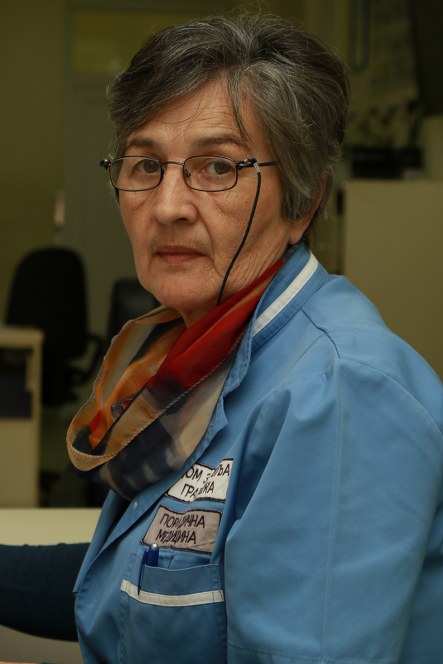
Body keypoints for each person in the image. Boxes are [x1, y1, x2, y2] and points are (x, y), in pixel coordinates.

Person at [1, 11, 443, 664]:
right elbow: (137, 579)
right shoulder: (201, 353)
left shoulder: (340, 394)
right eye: (145, 164)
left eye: (217, 167)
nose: (168, 206)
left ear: (302, 203)